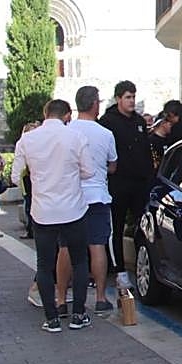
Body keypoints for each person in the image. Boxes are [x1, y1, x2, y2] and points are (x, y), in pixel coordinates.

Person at [12, 99, 94, 333]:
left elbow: (16, 176)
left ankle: (52, 318)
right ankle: (78, 314)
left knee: (44, 264)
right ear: (67, 115)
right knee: (79, 261)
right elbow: (88, 171)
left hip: (43, 211)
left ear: (45, 113)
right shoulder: (76, 137)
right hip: (73, 209)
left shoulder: (27, 139)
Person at [56, 86, 118, 316]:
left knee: (65, 248)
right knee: (97, 246)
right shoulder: (105, 134)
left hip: (70, 197)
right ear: (95, 104)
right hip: (97, 196)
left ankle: (61, 299)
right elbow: (113, 165)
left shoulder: (65, 131)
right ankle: (101, 298)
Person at [98, 80, 153, 286]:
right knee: (117, 228)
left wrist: (149, 178)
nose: (131, 101)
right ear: (119, 98)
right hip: (118, 184)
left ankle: (143, 269)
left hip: (139, 184)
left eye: (133, 97)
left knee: (142, 228)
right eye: (128, 97)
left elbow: (146, 152)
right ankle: (119, 270)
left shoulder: (139, 121)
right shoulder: (108, 122)